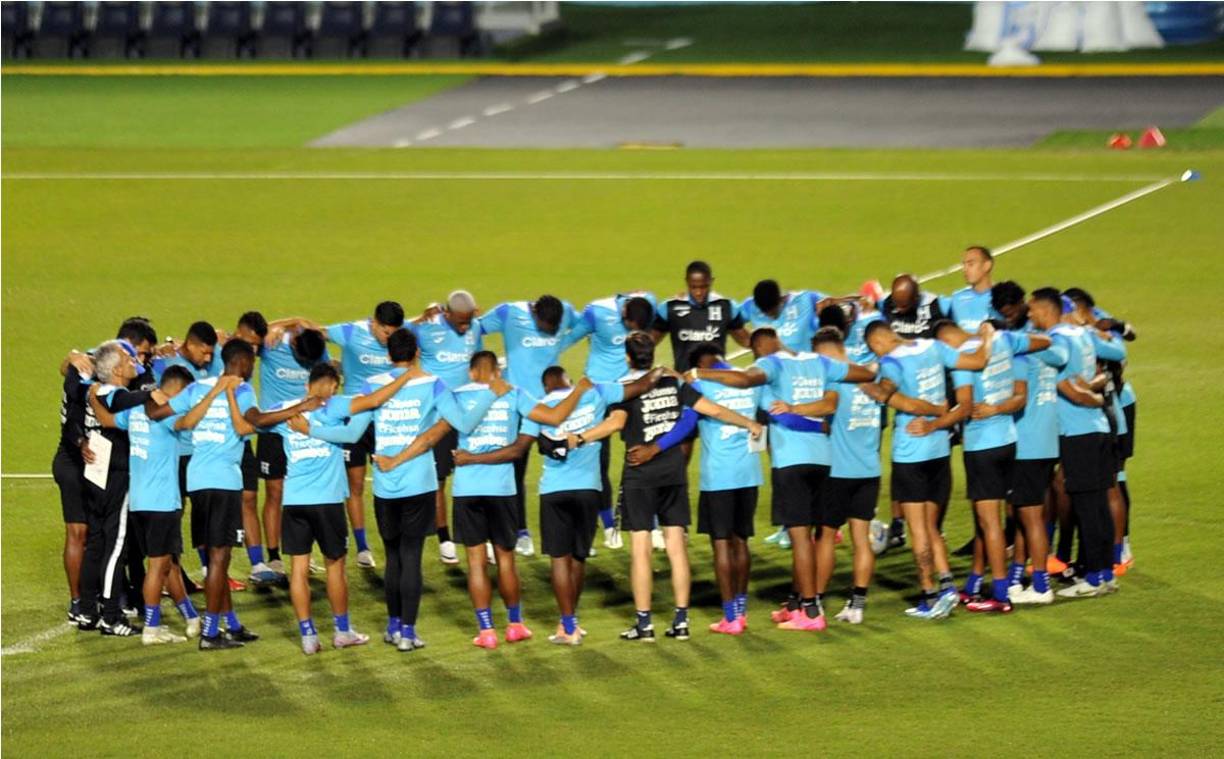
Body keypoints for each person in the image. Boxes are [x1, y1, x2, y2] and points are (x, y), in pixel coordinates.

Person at [578, 333, 763, 642]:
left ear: (627, 357)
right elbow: (713, 410)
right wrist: (749, 423)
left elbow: (616, 424)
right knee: (676, 548)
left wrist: (579, 438)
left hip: (640, 475)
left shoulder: (627, 387)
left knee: (641, 551)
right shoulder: (673, 382)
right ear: (652, 354)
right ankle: (681, 622)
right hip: (674, 473)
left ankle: (644, 624)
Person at [691, 328, 875, 631]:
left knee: (799, 538)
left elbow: (753, 389)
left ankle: (811, 612)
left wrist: (699, 373)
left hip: (791, 460)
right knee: (811, 536)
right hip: (823, 459)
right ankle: (795, 604)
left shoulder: (770, 366)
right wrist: (817, 426)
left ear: (760, 348)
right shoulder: (819, 362)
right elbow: (864, 375)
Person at [409, 350, 592, 649]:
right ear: (497, 371)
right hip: (502, 489)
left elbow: (437, 430)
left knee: (476, 562)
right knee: (506, 559)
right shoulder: (514, 394)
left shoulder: (455, 396)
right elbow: (554, 417)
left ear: (471, 372)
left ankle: (486, 631)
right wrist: (579, 390)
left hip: (467, 489)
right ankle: (515, 625)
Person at [153, 340, 315, 649]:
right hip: (224, 482)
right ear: (243, 362)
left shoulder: (197, 388)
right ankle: (211, 632)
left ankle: (232, 624)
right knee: (219, 559)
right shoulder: (242, 391)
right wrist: (298, 408)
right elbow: (254, 421)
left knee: (217, 559)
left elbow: (159, 412)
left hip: (197, 480)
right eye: (252, 362)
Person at [271, 362, 414, 655]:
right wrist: (407, 375)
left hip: (294, 501)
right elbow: (374, 400)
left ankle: (308, 636)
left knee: (298, 569)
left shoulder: (285, 409)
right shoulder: (336, 405)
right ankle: (342, 631)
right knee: (335, 566)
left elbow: (253, 421)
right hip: (328, 501)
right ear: (334, 386)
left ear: (308, 383)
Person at [628, 343, 765, 636]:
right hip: (750, 473)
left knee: (721, 543)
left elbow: (686, 423)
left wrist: (655, 447)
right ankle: (741, 609)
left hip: (719, 477)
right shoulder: (748, 381)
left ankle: (730, 616)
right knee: (741, 541)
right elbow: (767, 414)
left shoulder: (702, 384)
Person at [520, 364, 661, 645]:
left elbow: (522, 446)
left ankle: (567, 625)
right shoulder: (595, 392)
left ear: (545, 386)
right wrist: (660, 372)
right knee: (578, 556)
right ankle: (571, 622)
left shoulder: (539, 408)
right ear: (569, 380)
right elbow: (642, 385)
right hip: (589, 489)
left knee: (559, 559)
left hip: (553, 491)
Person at [862, 320, 992, 619]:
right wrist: (986, 337)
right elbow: (978, 361)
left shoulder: (891, 363)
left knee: (918, 529)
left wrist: (868, 384)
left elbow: (887, 394)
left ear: (878, 343)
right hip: (939, 450)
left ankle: (929, 596)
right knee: (933, 526)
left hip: (911, 454)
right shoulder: (934, 346)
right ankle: (947, 586)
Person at [934, 320, 1049, 613]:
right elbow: (1044, 342)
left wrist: (935, 423)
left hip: (981, 445)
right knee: (985, 519)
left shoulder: (963, 360)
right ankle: (975, 582)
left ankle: (1000, 593)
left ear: (945, 342)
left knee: (989, 522)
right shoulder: (1004, 341)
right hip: (1008, 440)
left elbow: (965, 405)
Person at [56, 317, 157, 626]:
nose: (136, 363)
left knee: (97, 541)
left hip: (94, 468)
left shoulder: (89, 386)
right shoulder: (111, 394)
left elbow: (75, 399)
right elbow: (139, 398)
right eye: (131, 358)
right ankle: (111, 615)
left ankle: (88, 608)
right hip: (111, 472)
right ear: (116, 368)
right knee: (115, 544)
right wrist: (167, 391)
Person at [1028, 289, 1124, 599]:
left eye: (1032, 309)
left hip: (1078, 433)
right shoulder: (1082, 334)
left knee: (1086, 506)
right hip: (1098, 429)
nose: (1029, 315)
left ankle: (1093, 578)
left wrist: (1027, 346)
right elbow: (1110, 359)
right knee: (1098, 504)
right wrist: (1095, 390)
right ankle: (1106, 573)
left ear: (1046, 311)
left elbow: (1061, 371)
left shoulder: (1057, 340)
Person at [480, 295, 580, 557]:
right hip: (519, 409)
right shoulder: (508, 313)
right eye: (546, 327)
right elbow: (474, 330)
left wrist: (564, 341)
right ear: (535, 314)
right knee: (514, 472)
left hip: (552, 407)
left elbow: (585, 325)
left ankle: (577, 534)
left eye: (554, 328)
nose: (550, 331)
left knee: (568, 466)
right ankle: (520, 531)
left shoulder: (565, 311)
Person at [109, 365, 202, 645]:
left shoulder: (134, 410)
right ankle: (152, 627)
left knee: (169, 563)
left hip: (139, 502)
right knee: (158, 566)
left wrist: (92, 397)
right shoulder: (168, 415)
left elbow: (107, 419)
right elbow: (189, 423)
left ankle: (191, 616)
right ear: (178, 389)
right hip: (162, 503)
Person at [561, 292, 657, 550]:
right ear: (623, 314)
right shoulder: (597, 312)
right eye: (629, 328)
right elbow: (569, 338)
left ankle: (653, 524)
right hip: (600, 395)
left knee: (646, 455)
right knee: (597, 462)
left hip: (633, 391)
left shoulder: (647, 303)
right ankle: (608, 526)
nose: (632, 334)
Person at [804, 327, 884, 624]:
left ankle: (816, 602)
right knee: (861, 539)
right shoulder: (870, 377)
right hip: (870, 469)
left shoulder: (834, 379)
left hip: (838, 472)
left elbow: (824, 420)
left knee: (825, 537)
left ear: (825, 352)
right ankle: (857, 604)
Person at [993, 281, 1065, 604]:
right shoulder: (1047, 350)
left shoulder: (1022, 354)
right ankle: (1017, 576)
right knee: (1025, 513)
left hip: (1027, 444)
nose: (1030, 312)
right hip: (1047, 442)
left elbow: (1016, 398)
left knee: (1031, 516)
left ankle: (1041, 585)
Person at [246, 317, 329, 585]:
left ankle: (304, 553)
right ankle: (274, 556)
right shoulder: (273, 342)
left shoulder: (315, 345)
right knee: (275, 492)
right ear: (292, 344)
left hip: (303, 429)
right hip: (273, 431)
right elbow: (250, 334)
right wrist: (286, 322)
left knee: (305, 492)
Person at [326, 301, 406, 570]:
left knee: (391, 479)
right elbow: (315, 332)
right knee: (356, 484)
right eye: (385, 332)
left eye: (393, 334)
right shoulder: (350, 332)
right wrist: (284, 327)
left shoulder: (401, 336)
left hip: (386, 420)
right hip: (354, 418)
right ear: (374, 323)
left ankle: (393, 540)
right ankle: (362, 546)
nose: (388, 339)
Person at [407, 290, 484, 567]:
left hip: (469, 414)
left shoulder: (475, 327)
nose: (465, 327)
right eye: (460, 322)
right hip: (439, 417)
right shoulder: (426, 328)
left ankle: (480, 537)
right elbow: (395, 335)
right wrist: (418, 318)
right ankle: (444, 539)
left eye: (468, 321)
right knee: (439, 479)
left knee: (477, 473)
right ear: (446, 313)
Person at [653, 260, 750, 373]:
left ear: (711, 281)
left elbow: (746, 341)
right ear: (687, 282)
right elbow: (649, 341)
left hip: (717, 380)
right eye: (693, 287)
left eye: (703, 287)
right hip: (685, 379)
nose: (698, 293)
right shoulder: (670, 308)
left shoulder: (726, 307)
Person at [739, 279, 828, 353]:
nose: (768, 315)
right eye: (764, 311)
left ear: (781, 299)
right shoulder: (750, 306)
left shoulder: (807, 299)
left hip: (806, 365)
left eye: (772, 310)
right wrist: (748, 341)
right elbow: (732, 318)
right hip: (771, 367)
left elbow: (834, 307)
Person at [947, 246, 1000, 332]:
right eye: (964, 265)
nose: (965, 269)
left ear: (987, 266)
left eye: (971, 264)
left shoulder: (1003, 296)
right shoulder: (957, 298)